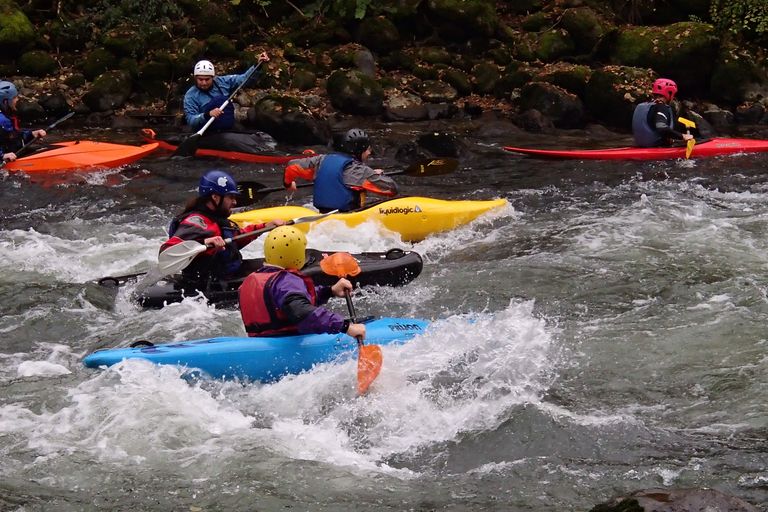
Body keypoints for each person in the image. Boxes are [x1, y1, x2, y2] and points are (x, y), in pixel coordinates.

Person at [239, 225, 367, 339]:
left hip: (260, 342)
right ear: (295, 253)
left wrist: (329, 291)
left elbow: (290, 301)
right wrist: (346, 327)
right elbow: (302, 312)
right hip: (286, 344)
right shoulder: (285, 280)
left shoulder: (251, 280)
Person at [161, 170, 284, 282]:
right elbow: (166, 251)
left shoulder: (216, 218)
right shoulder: (196, 222)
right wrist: (205, 243)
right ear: (215, 197)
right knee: (281, 275)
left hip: (228, 273)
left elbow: (235, 238)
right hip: (207, 284)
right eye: (231, 197)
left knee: (280, 266)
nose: (235, 202)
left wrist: (265, 226)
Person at [282, 128, 398, 212]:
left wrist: (288, 184)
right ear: (359, 151)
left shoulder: (320, 160)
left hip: (321, 216)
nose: (369, 153)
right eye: (368, 149)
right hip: (347, 222)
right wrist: (373, 174)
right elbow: (391, 189)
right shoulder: (360, 171)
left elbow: (291, 166)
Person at [182, 53, 276, 153]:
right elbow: (191, 119)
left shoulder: (222, 82)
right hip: (207, 130)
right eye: (200, 79)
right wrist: (207, 114)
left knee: (252, 134)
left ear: (213, 77)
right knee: (230, 141)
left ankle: (269, 149)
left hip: (227, 123)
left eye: (207, 79)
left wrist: (258, 66)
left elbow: (244, 79)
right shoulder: (191, 95)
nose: (204, 83)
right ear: (195, 78)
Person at [632, 78, 694, 148]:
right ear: (669, 93)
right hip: (655, 148)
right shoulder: (661, 107)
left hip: (641, 147)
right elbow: (661, 127)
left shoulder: (643, 106)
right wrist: (683, 136)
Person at [0, 80, 46, 163]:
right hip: (7, 159)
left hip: (15, 153)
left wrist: (32, 134)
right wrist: (2, 156)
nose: (17, 99)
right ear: (5, 102)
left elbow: (15, 137)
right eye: (14, 98)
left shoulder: (9, 116)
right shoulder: (2, 120)